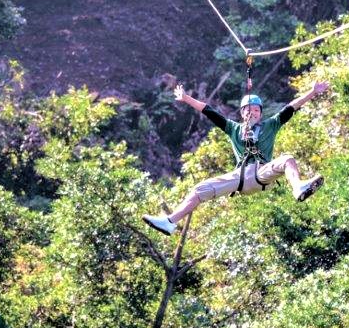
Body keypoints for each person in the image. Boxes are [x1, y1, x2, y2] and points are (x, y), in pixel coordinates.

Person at [141, 81, 330, 235]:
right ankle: (169, 222)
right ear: (242, 113)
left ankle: (298, 187)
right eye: (248, 110)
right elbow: (209, 111)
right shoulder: (233, 128)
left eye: (256, 110)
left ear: (260, 113)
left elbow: (291, 107)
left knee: (287, 158)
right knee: (199, 190)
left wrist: (312, 92)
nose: (252, 112)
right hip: (240, 178)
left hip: (261, 173)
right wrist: (186, 98)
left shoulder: (270, 125)